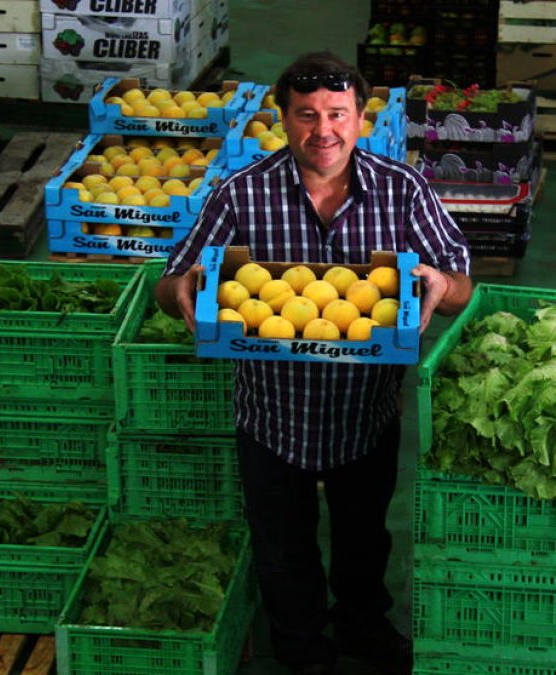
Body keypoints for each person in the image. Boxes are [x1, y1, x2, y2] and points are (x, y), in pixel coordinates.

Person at [155, 51, 472, 675]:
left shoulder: (402, 189)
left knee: (364, 537)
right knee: (283, 549)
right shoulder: (240, 193)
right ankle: (300, 647)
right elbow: (171, 284)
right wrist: (185, 290)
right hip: (274, 413)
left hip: (365, 410)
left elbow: (460, 281)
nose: (322, 130)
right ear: (283, 118)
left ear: (360, 119)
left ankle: (362, 625)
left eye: (336, 114)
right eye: (306, 115)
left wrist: (439, 283)